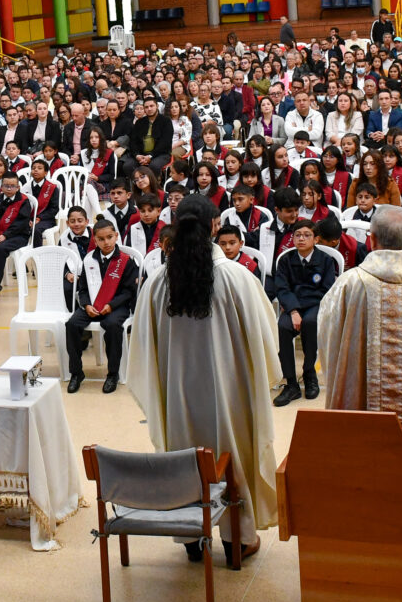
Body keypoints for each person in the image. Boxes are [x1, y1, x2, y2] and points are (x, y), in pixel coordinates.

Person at [130, 195, 279, 560]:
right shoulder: (235, 276)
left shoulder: (159, 280)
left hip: (178, 395)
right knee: (232, 454)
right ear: (215, 226)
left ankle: (191, 539)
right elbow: (264, 337)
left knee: (184, 455)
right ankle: (237, 539)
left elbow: (142, 347)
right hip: (229, 393)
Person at [318, 206, 402, 500]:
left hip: (362, 397)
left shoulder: (350, 283)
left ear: (371, 240)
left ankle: (361, 506)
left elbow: (328, 334)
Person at [65, 218, 138, 393]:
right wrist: (86, 305)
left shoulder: (126, 261)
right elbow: (82, 289)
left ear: (116, 236)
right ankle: (76, 373)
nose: (106, 242)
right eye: (101, 239)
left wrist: (112, 305)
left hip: (117, 306)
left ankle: (113, 374)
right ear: (95, 240)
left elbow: (129, 291)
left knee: (112, 325)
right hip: (93, 306)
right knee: (72, 325)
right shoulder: (89, 259)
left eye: (110, 237)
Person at [270, 218, 338, 405]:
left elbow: (327, 290)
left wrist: (301, 309)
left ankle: (309, 374)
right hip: (293, 306)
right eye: (297, 235)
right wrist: (293, 310)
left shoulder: (325, 261)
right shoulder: (285, 260)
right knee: (282, 327)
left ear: (316, 239)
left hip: (315, 305)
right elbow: (282, 288)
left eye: (307, 235)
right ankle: (291, 383)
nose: (302, 239)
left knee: (310, 322)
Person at [0, 174, 32, 301]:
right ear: (1, 187)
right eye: (6, 186)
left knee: (1, 249)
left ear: (18, 187)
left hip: (18, 236)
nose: (9, 188)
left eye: (13, 186)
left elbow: (21, 224)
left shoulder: (23, 201)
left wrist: (5, 235)